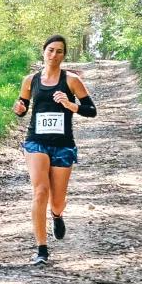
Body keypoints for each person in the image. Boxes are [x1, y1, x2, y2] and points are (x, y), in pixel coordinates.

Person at [12, 35, 97, 265]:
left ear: (64, 55)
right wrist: (19, 109)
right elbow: (23, 108)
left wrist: (71, 105)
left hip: (63, 144)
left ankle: (57, 215)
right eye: (50, 50)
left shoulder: (71, 80)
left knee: (57, 200)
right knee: (40, 191)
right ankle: (41, 249)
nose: (54, 55)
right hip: (36, 141)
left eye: (59, 51)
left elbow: (91, 110)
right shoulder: (30, 80)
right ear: (43, 51)